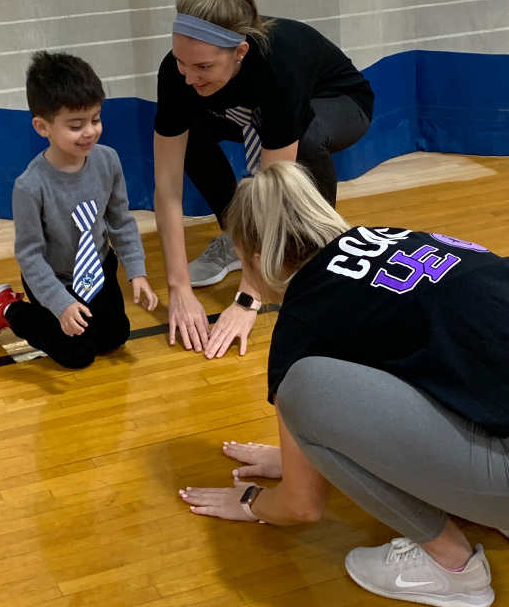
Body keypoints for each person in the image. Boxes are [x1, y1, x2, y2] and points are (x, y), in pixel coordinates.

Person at [179, 161, 509, 607]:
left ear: (256, 258)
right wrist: (301, 453)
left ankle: (452, 568)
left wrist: (253, 502)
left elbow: (302, 507)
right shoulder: (393, 238)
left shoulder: (304, 317)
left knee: (304, 390)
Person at [154, 0, 373, 359]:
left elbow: (274, 189)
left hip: (338, 101)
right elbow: (167, 187)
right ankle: (235, 239)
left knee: (300, 146)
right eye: (181, 63)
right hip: (245, 110)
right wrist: (178, 288)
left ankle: (315, 256)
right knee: (190, 136)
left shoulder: (278, 67)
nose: (188, 77)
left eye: (202, 67)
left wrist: (248, 299)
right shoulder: (179, 73)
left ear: (239, 52)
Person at [0, 51, 158, 368]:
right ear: (42, 127)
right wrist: (60, 304)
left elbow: (120, 221)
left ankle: (77, 313)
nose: (89, 132)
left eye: (96, 119)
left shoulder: (108, 160)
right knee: (79, 354)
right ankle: (8, 309)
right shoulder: (30, 186)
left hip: (98, 266)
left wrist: (137, 271)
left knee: (114, 338)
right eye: (76, 125)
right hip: (54, 278)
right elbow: (30, 255)